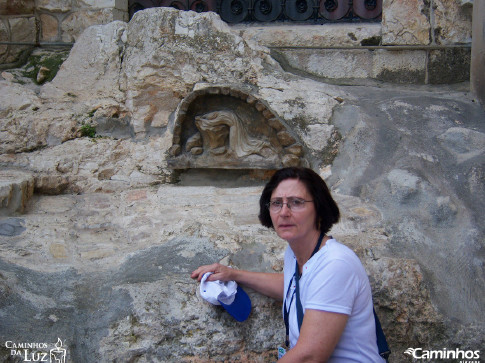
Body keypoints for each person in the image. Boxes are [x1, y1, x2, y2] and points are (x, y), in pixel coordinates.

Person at [191, 167, 385, 362]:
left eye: (296, 203)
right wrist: (234, 274)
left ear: (319, 208)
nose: (284, 212)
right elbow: (295, 286)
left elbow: (309, 356)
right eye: (276, 203)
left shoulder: (335, 263)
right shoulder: (295, 252)